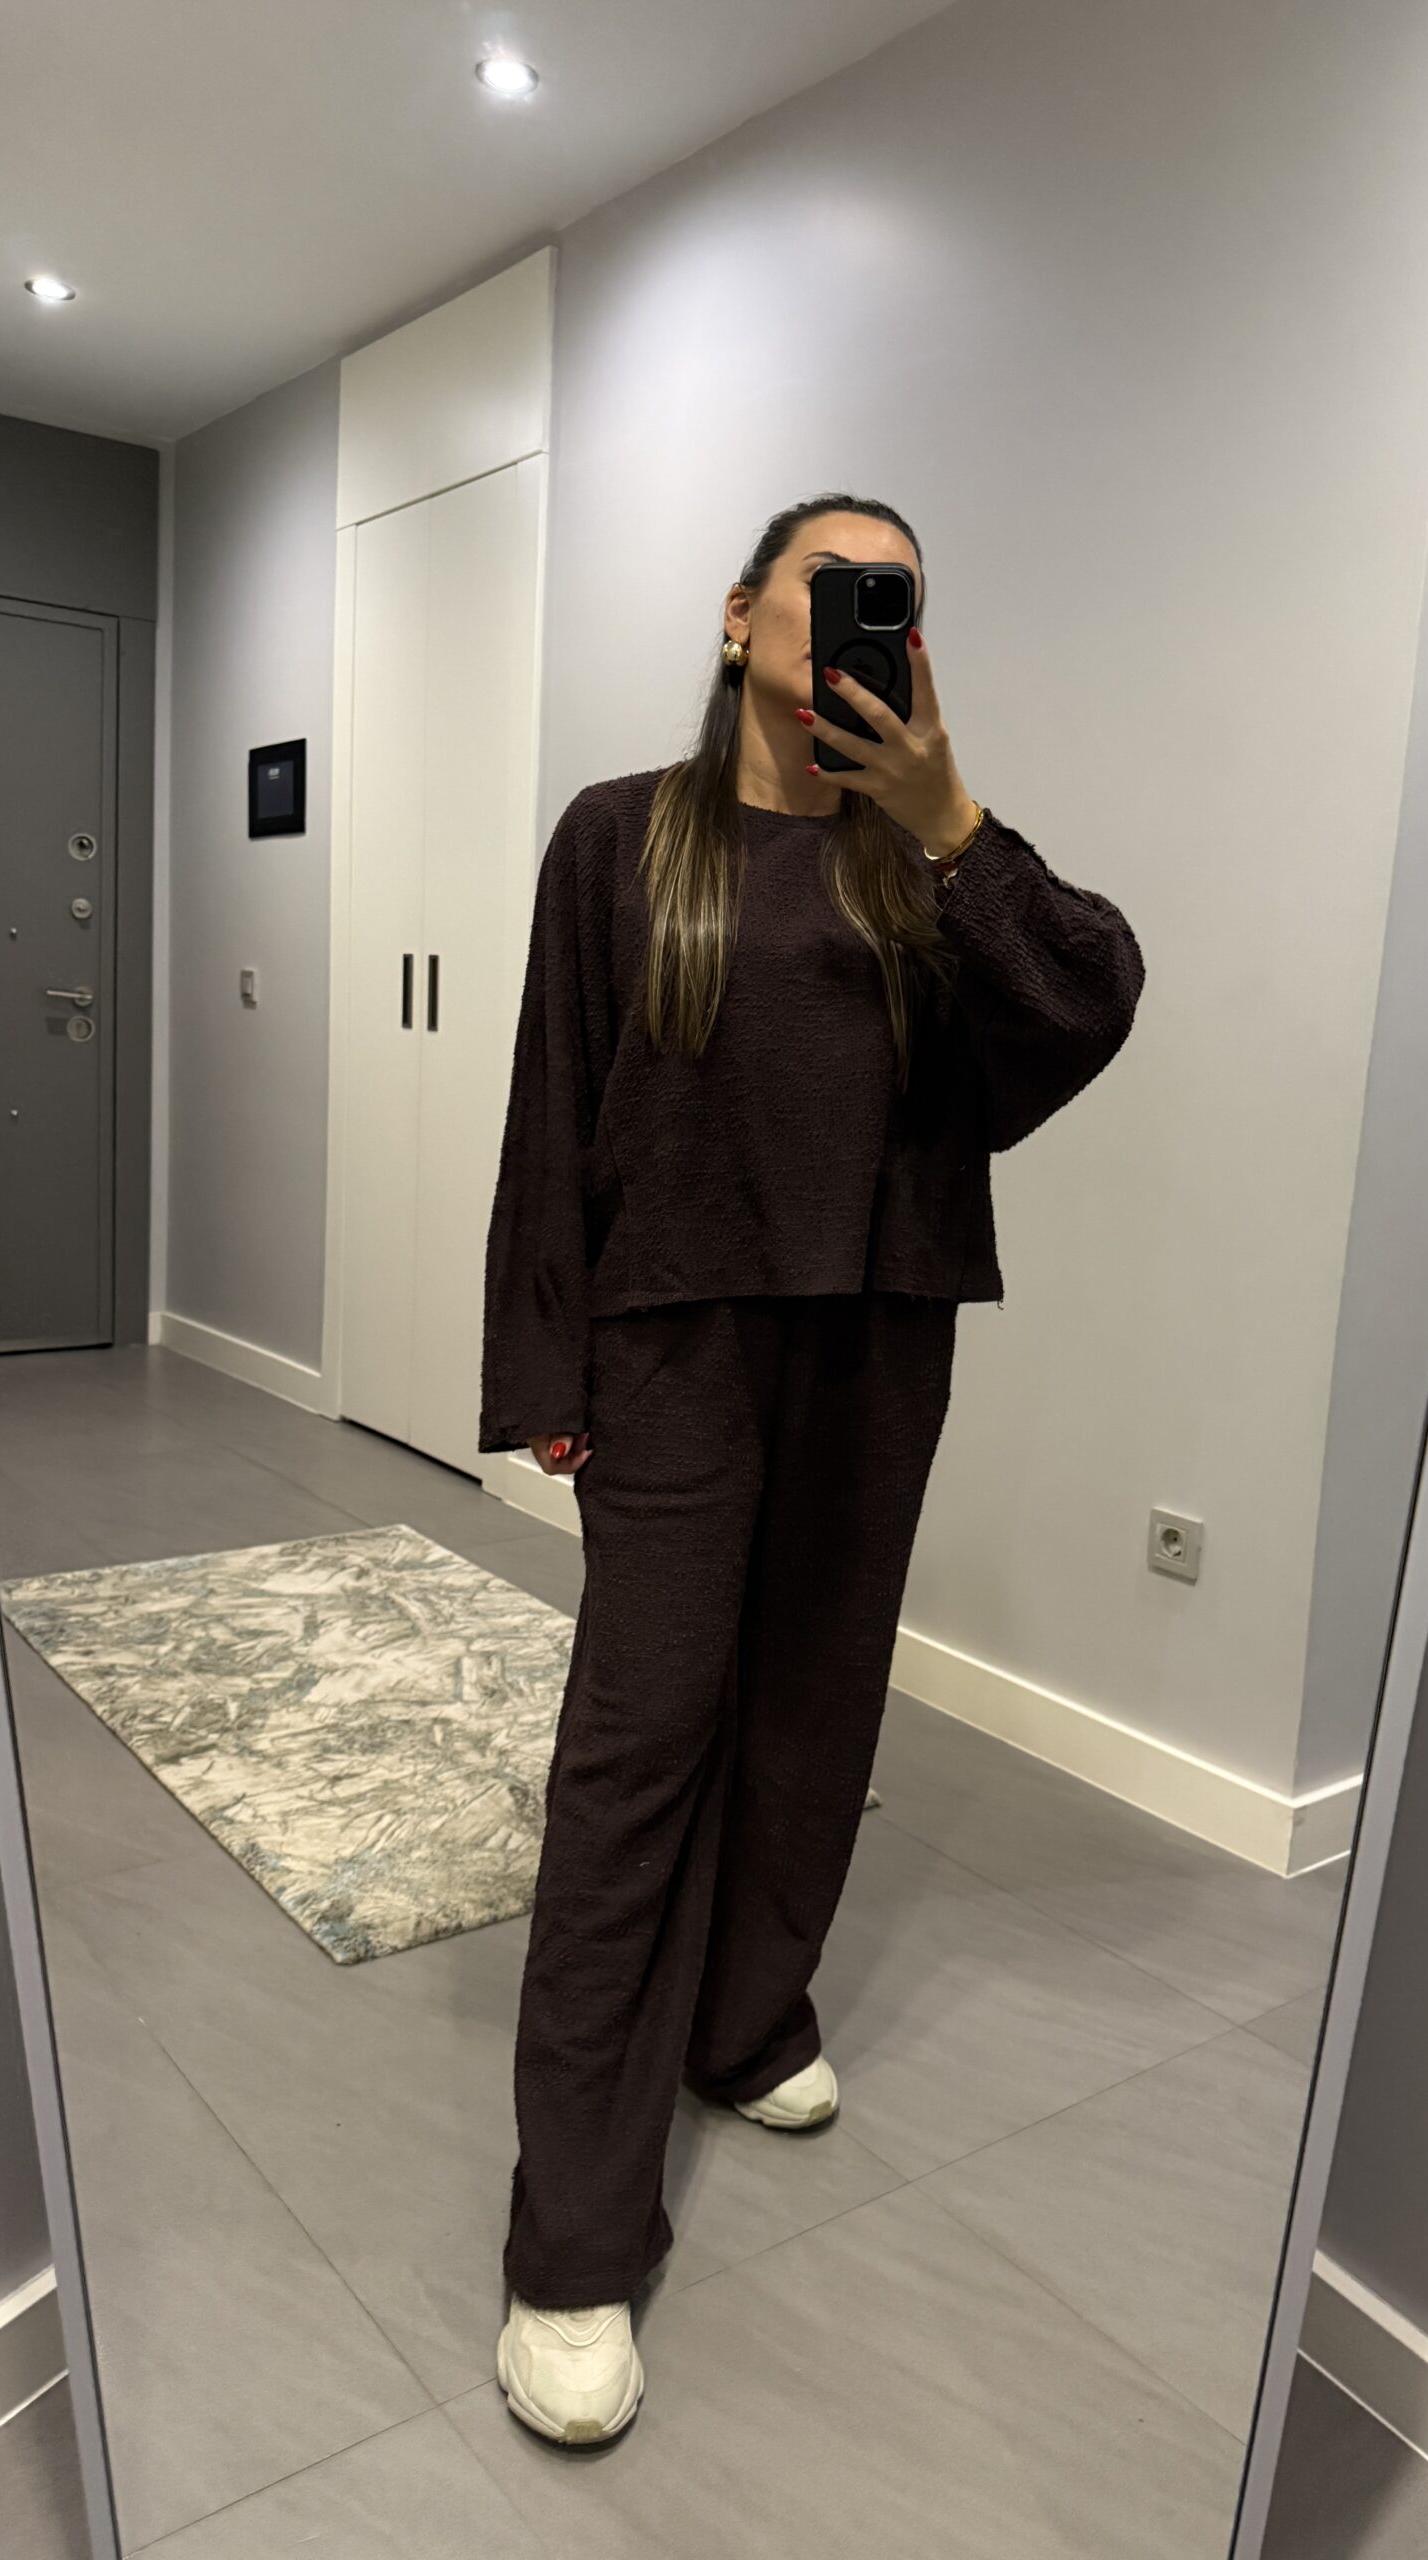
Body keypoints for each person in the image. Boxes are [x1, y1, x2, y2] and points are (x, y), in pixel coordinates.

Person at [477, 492, 1145, 2444]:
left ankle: (747, 2015)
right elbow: (549, 1102)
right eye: (828, 581)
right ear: (739, 613)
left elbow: (1089, 1001)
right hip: (676, 1346)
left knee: (815, 1712)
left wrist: (952, 820)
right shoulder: (621, 836)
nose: (860, 614)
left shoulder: (926, 865)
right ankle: (572, 2247)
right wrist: (545, 1362)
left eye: (894, 599)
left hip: (877, 1337)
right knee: (638, 1751)